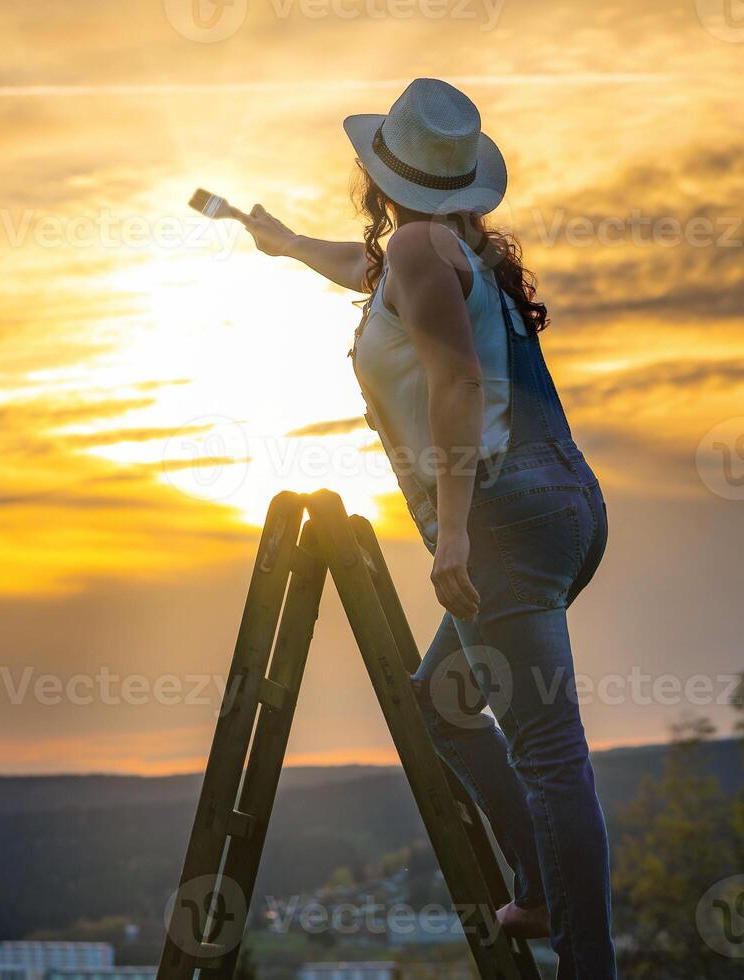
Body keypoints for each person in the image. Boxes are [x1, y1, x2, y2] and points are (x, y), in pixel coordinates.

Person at [240, 78, 615, 979]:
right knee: (443, 701)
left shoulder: (416, 245)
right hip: (560, 503)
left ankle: (588, 960)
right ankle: (540, 889)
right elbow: (373, 277)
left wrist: (453, 537)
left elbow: (454, 384)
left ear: (381, 175)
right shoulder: (449, 250)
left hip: (498, 521)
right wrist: (287, 245)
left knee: (548, 753)